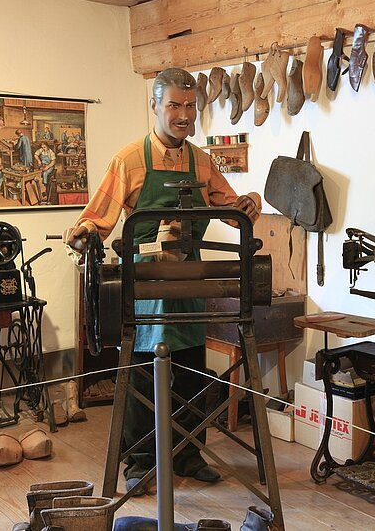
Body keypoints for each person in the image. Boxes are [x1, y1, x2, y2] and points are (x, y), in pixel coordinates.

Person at [64, 68, 261, 493]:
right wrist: (83, 232)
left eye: (190, 106)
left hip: (190, 281)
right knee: (143, 375)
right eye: (174, 105)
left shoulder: (201, 162)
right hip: (145, 286)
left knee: (190, 370)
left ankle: (187, 455)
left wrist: (249, 204)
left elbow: (233, 211)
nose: (183, 115)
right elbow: (97, 218)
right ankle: (140, 462)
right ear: (154, 105)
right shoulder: (129, 160)